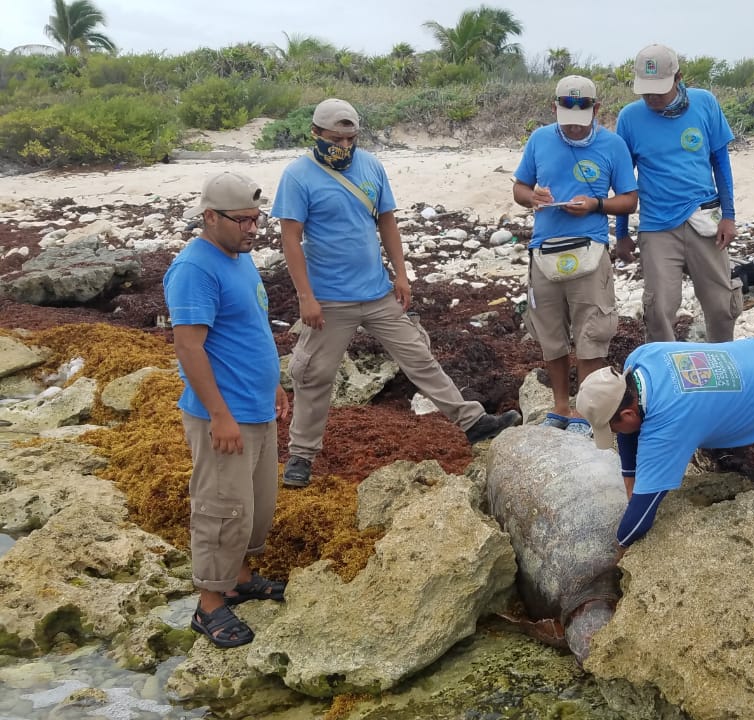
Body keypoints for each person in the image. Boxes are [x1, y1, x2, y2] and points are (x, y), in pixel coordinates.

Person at [272, 98, 519, 488]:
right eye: (336, 138)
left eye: (350, 138)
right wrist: (305, 296)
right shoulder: (298, 176)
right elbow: (290, 239)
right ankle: (301, 455)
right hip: (330, 299)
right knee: (314, 375)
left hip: (377, 292)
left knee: (419, 357)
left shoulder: (370, 165)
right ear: (315, 134)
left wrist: (401, 274)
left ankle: (473, 422)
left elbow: (386, 221)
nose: (344, 146)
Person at [164, 172, 290, 648]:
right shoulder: (195, 269)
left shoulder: (239, 257)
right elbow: (188, 347)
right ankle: (209, 605)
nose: (253, 229)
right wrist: (219, 414)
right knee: (220, 508)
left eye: (257, 220)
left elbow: (253, 326)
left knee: (254, 506)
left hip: (256, 407)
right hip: (224, 413)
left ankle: (238, 579)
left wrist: (275, 383)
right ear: (210, 217)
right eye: (243, 221)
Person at [577, 338, 754, 548]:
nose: (616, 434)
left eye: (612, 428)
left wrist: (617, 551)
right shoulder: (640, 359)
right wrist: (631, 487)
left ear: (628, 414)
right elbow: (629, 433)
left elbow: (642, 517)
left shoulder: (669, 424)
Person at [512, 75, 638, 436]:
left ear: (597, 109)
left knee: (591, 333)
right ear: (555, 108)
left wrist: (597, 204)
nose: (572, 125)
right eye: (565, 116)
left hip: (590, 250)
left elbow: (629, 199)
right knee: (551, 334)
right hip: (545, 251)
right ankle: (560, 406)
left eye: (581, 118)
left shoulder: (613, 145)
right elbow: (520, 186)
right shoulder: (539, 139)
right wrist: (532, 197)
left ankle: (586, 411)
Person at [614, 44, 740, 343]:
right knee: (659, 308)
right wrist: (621, 234)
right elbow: (623, 182)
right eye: (645, 90)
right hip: (657, 225)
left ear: (678, 77)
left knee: (722, 305)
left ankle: (724, 366)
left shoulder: (705, 103)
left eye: (659, 89)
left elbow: (720, 163)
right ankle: (664, 375)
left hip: (704, 218)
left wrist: (729, 216)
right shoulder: (629, 118)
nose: (652, 97)